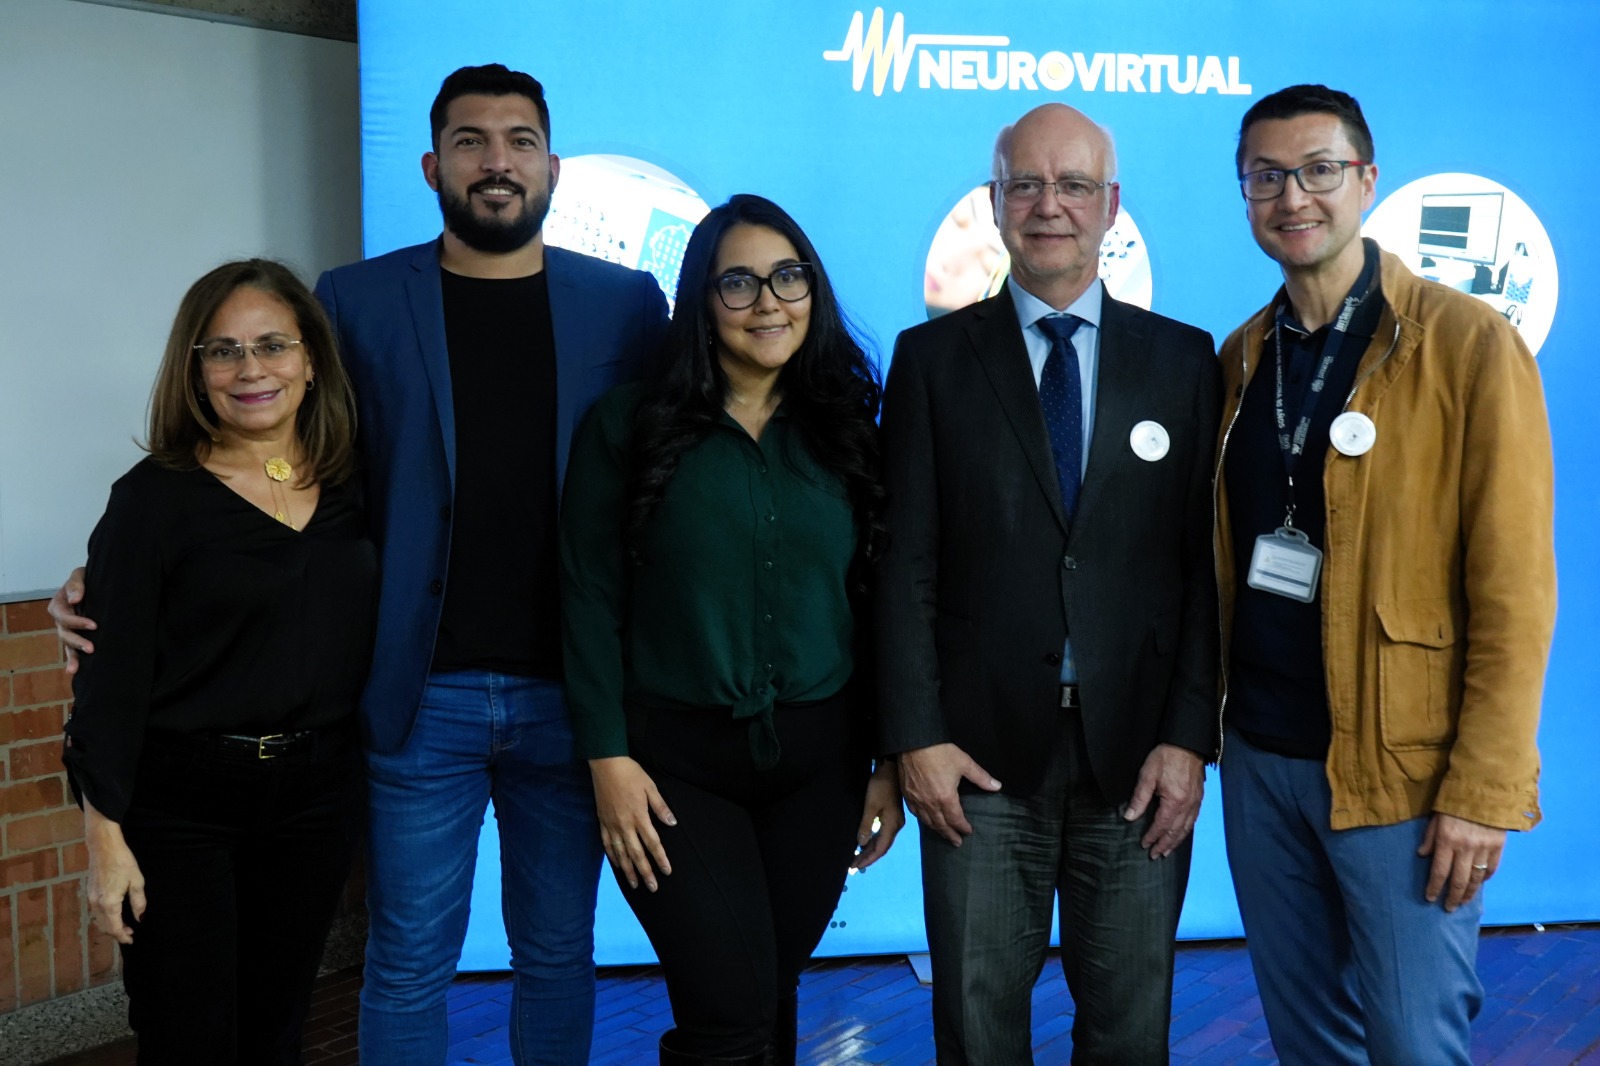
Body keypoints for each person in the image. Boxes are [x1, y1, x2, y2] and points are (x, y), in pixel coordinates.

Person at [52, 64, 670, 1065]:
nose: (496, 161)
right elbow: (287, 457)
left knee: (559, 953)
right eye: (470, 141)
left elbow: (666, 472)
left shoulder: (627, 305)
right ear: (432, 166)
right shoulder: (356, 297)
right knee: (409, 958)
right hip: (417, 698)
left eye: (519, 140)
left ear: (552, 167)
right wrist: (108, 579)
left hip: (573, 696)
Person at [875, 103, 1222, 1064]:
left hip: (1139, 761)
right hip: (975, 761)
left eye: (1073, 185)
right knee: (977, 1031)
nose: (1049, 205)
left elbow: (1202, 569)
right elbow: (902, 564)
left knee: (1129, 1035)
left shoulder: (1184, 360)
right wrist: (915, 738)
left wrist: (1189, 738)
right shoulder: (931, 361)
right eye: (1025, 184)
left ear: (1112, 204)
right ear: (994, 203)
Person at [1216, 84, 1555, 1065]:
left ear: (1367, 180)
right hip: (1261, 761)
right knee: (1309, 1042)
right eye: (1266, 177)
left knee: (1413, 1043)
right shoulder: (1241, 357)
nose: (1293, 197)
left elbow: (1515, 592)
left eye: (1318, 170)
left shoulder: (1468, 345)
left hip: (1401, 772)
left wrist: (1483, 788)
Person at [559, 194, 904, 1066]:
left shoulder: (848, 430)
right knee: (730, 1005)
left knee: (767, 990)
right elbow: (588, 595)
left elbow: (877, 603)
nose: (768, 302)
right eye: (739, 283)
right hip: (672, 769)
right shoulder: (629, 425)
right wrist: (606, 759)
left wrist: (886, 763)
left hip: (821, 767)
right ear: (702, 302)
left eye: (788, 277)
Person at [63, 259, 373, 1064]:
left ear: (311, 359)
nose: (250, 369)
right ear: (196, 370)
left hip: (317, 797)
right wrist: (104, 840)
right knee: (187, 1038)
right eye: (223, 350)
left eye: (272, 345)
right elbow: (108, 684)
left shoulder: (359, 485)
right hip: (182, 805)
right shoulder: (152, 499)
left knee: (276, 1033)